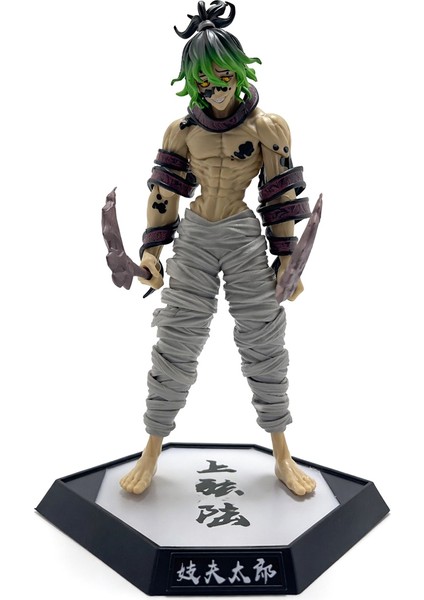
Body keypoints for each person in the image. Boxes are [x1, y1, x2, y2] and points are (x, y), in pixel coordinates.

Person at [120, 1, 316, 496]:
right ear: (193, 83)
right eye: (204, 81)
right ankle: (151, 450)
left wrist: (287, 259)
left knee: (264, 339)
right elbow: (164, 192)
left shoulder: (267, 128)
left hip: (242, 235)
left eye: (223, 75)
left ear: (239, 69)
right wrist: (152, 252)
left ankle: (282, 454)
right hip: (196, 234)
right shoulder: (182, 131)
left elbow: (279, 193)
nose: (216, 88)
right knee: (176, 339)